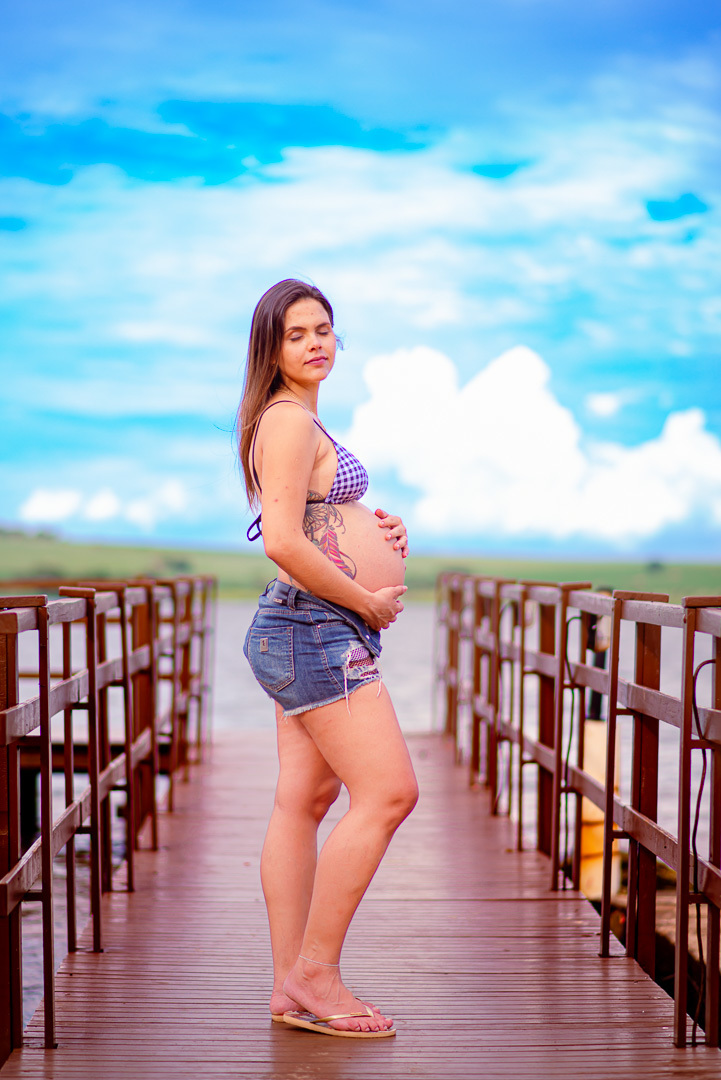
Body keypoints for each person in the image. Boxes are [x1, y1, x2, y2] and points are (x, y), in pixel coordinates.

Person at [237, 279, 419, 1039]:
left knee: (304, 803)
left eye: (325, 330)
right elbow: (280, 540)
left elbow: (310, 518)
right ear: (271, 350)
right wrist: (367, 597)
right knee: (388, 793)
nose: (316, 343)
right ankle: (315, 970)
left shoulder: (301, 421)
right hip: (314, 627)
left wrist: (374, 529)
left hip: (303, 625)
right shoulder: (286, 421)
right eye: (297, 334)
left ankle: (289, 987)